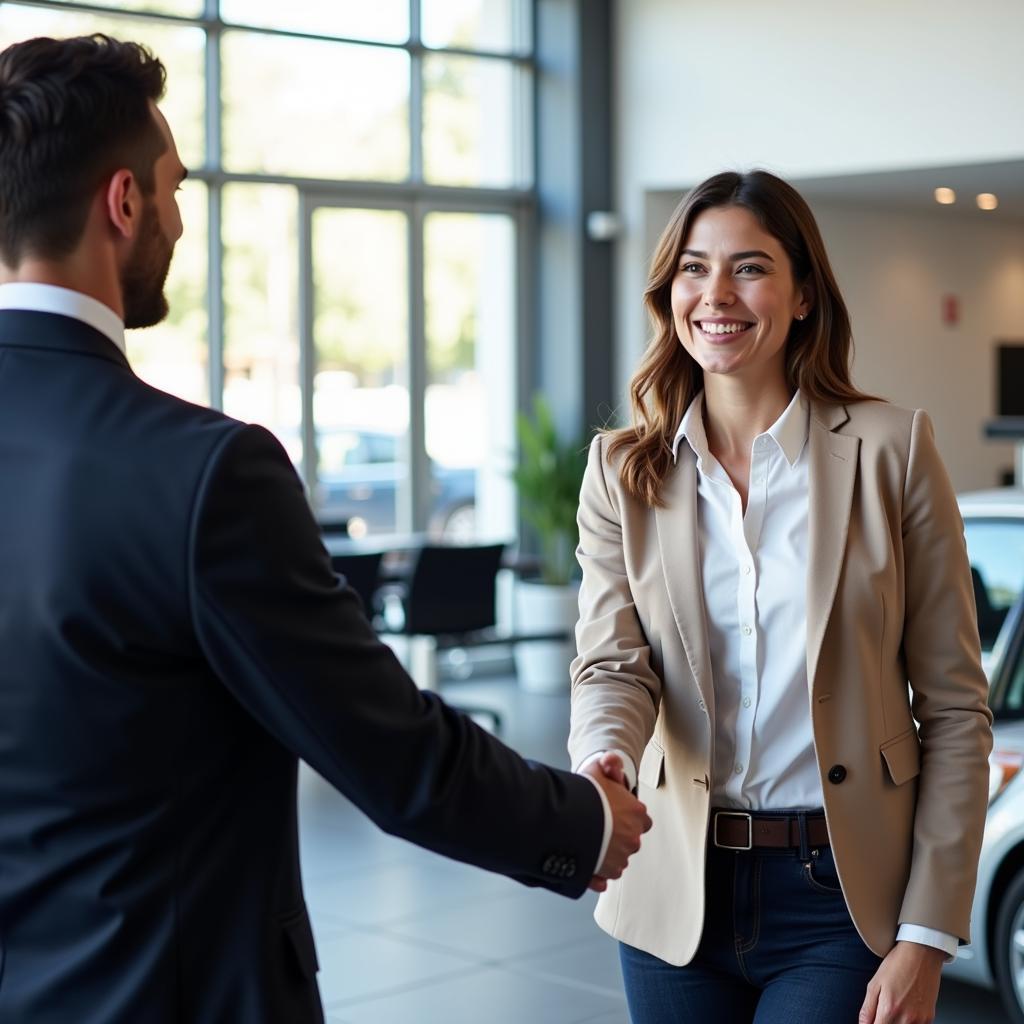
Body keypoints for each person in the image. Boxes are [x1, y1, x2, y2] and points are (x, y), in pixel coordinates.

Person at [0, 34, 651, 1024]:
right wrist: (583, 820)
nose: (177, 218)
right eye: (172, 189)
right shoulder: (203, 471)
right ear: (122, 204)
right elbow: (390, 751)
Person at [569, 169, 993, 1024]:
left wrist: (928, 935)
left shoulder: (892, 450)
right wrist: (602, 755)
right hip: (674, 887)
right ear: (669, 291)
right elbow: (612, 664)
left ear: (802, 295)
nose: (717, 293)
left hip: (841, 897)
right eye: (693, 267)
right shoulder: (624, 469)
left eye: (750, 267)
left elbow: (953, 710)